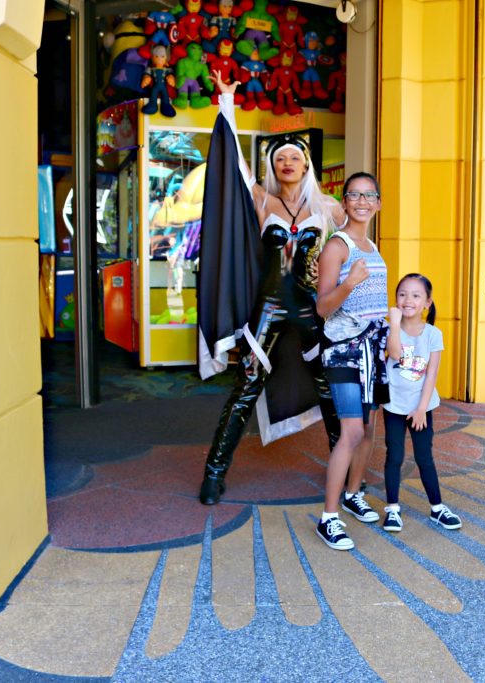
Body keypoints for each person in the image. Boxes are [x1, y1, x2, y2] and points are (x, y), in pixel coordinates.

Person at [196, 72, 344, 505]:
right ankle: (214, 473)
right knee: (246, 385)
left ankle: (346, 468)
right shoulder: (262, 199)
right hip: (267, 307)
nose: (287, 162)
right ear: (273, 165)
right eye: (280, 157)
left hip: (310, 308)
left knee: (327, 387)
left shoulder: (328, 207)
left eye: (294, 157)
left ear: (306, 164)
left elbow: (353, 245)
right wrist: (227, 103)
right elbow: (232, 166)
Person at [314, 172, 390, 550]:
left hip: (374, 351)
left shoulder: (372, 245)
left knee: (369, 427)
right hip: (344, 350)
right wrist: (349, 283)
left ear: (377, 203)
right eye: (354, 195)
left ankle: (353, 493)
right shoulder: (338, 247)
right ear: (344, 202)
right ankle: (328, 518)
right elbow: (323, 306)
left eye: (369, 195)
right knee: (352, 431)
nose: (362, 201)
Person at [382, 274, 462, 534]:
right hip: (394, 405)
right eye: (402, 294)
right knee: (394, 456)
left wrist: (421, 408)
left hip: (422, 407)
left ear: (427, 302)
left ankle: (437, 508)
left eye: (416, 295)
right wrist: (394, 324)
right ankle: (392, 509)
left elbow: (432, 374)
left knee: (424, 457)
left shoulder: (433, 334)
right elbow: (394, 353)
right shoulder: (389, 329)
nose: (408, 300)